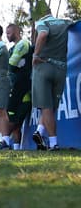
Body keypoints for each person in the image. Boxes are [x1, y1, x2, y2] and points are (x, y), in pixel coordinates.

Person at [31, 10, 72, 151]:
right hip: (61, 68)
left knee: (46, 107)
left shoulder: (43, 23)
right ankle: (40, 131)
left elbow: (43, 35)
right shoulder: (65, 22)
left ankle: (54, 143)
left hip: (43, 66)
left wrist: (35, 55)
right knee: (52, 106)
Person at [6, 23, 33, 150]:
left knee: (14, 120)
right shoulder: (11, 49)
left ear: (16, 32)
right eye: (6, 33)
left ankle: (4, 139)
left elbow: (10, 66)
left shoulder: (23, 44)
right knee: (15, 123)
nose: (7, 36)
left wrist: (13, 67)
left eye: (9, 33)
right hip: (15, 87)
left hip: (24, 90)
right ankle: (16, 148)